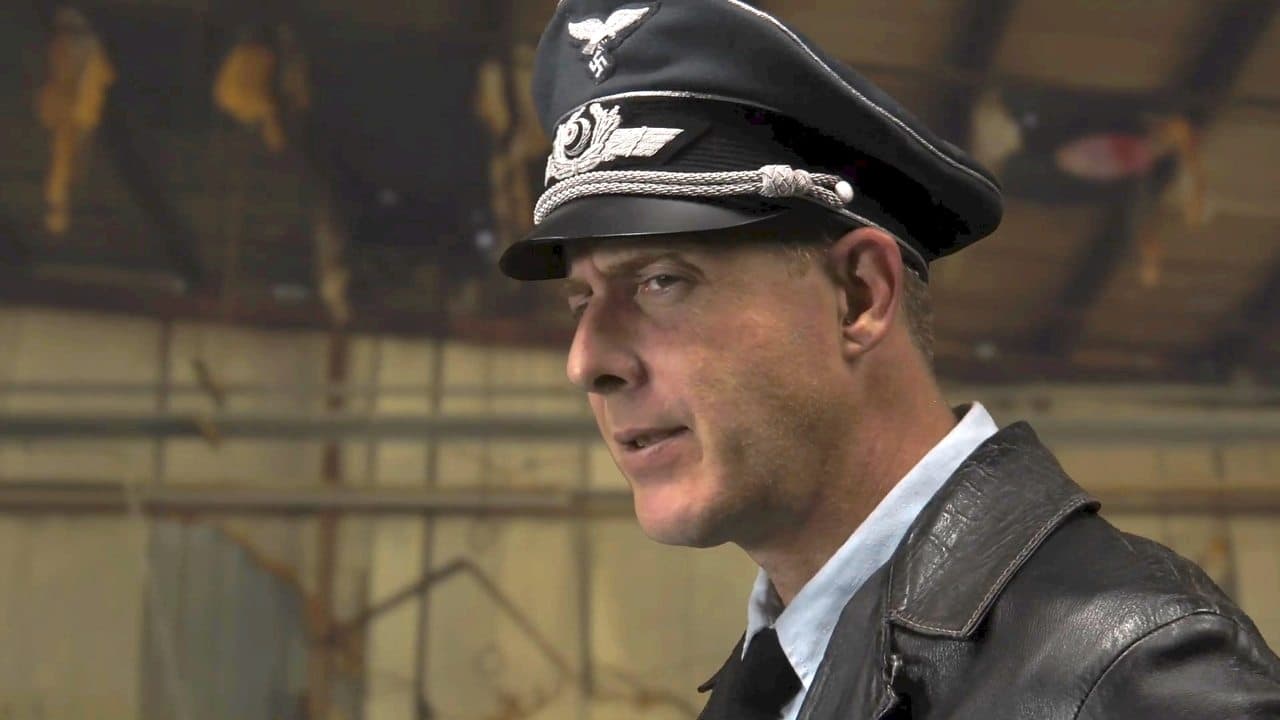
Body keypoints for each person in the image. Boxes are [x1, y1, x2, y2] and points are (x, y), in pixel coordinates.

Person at [497, 1, 1280, 718]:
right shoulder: (774, 683)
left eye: (661, 281)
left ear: (859, 296)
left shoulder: (1128, 672)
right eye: (580, 299)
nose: (587, 361)